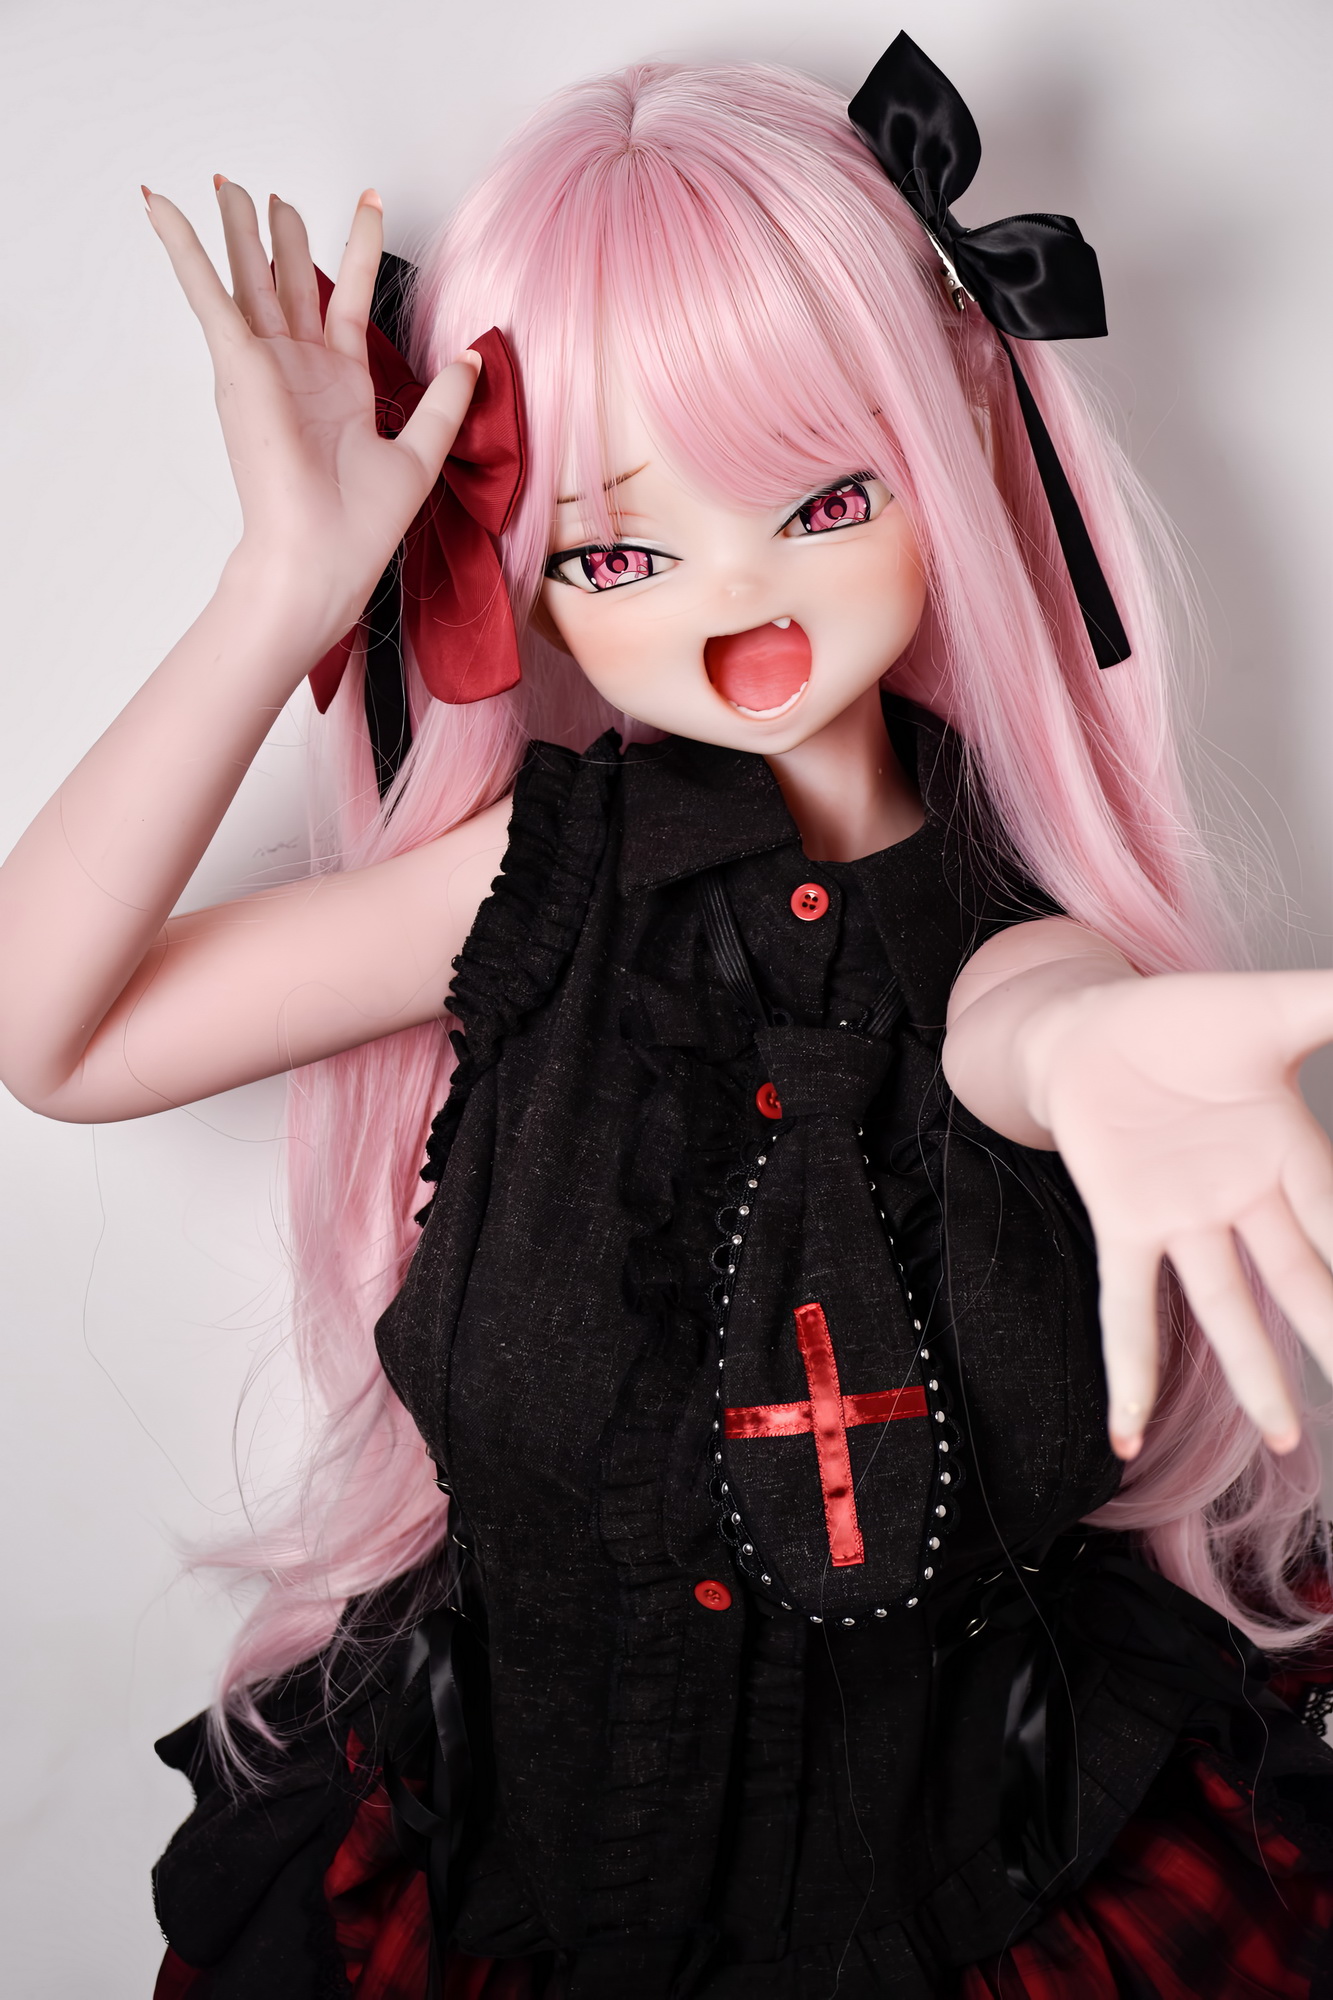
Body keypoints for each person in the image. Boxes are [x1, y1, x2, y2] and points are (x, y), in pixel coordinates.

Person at [2, 36, 1333, 2000]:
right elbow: (57, 1033)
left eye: (822, 495)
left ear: (959, 422)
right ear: (513, 573)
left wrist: (1090, 1049)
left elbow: (1015, 1008)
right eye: (620, 549)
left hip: (996, 1892)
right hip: (512, 1882)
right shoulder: (530, 882)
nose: (740, 602)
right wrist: (279, 588)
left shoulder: (1001, 916)